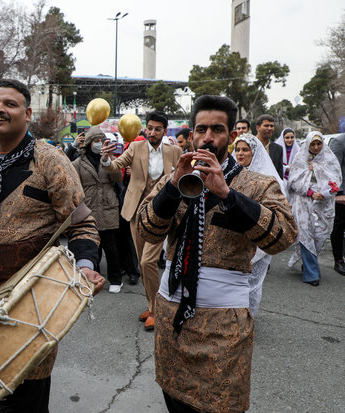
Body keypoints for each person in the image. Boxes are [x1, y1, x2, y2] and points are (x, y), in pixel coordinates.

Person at [0, 79, 105, 412]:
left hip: (33, 306)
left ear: (28, 114)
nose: (0, 109)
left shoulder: (51, 161)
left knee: (27, 402)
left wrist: (86, 268)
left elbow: (83, 225)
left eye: (10, 104)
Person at [138, 95, 297, 413]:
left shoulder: (257, 184)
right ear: (192, 133)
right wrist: (171, 188)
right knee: (174, 399)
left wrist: (228, 194)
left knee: (219, 404)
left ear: (232, 135)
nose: (207, 137)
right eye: (201, 129)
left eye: (217, 129)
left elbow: (284, 237)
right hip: (172, 319)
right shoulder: (176, 176)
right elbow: (147, 230)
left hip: (223, 326)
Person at [101, 110, 182, 330]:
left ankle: (156, 310)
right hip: (137, 211)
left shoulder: (175, 151)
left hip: (162, 213)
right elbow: (115, 167)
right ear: (145, 128)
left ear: (164, 131)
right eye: (150, 128)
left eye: (158, 129)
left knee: (147, 262)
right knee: (142, 262)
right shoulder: (135, 148)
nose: (153, 132)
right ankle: (151, 304)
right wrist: (106, 157)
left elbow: (183, 177)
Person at [234, 133, 287, 316]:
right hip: (236, 239)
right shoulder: (232, 175)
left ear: (254, 152)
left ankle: (249, 316)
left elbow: (279, 211)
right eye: (237, 150)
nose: (240, 154)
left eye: (245, 150)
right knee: (235, 283)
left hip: (259, 238)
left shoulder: (269, 178)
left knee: (252, 283)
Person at [72, 127, 123, 293]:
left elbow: (118, 178)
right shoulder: (79, 162)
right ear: (88, 143)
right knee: (93, 246)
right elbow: (73, 182)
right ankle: (95, 277)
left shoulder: (108, 159)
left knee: (111, 246)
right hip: (90, 206)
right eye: (95, 141)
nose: (99, 144)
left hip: (108, 206)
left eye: (101, 140)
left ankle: (116, 279)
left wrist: (108, 161)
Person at [287, 132, 341, 286]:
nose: (316, 147)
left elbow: (336, 180)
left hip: (324, 204)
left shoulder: (329, 158)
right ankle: (312, 274)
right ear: (308, 144)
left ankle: (309, 264)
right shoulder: (300, 158)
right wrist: (311, 192)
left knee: (319, 236)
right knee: (306, 235)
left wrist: (317, 169)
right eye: (313, 144)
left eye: (319, 144)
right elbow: (293, 182)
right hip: (304, 202)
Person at [328, 132, 345, 275]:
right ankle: (338, 260)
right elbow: (333, 169)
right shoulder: (339, 142)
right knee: (339, 226)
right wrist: (339, 193)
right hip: (342, 194)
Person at [255, 114, 284, 179]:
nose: (270, 128)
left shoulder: (278, 149)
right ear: (257, 128)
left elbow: (279, 173)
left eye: (272, 126)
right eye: (266, 125)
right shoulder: (249, 145)